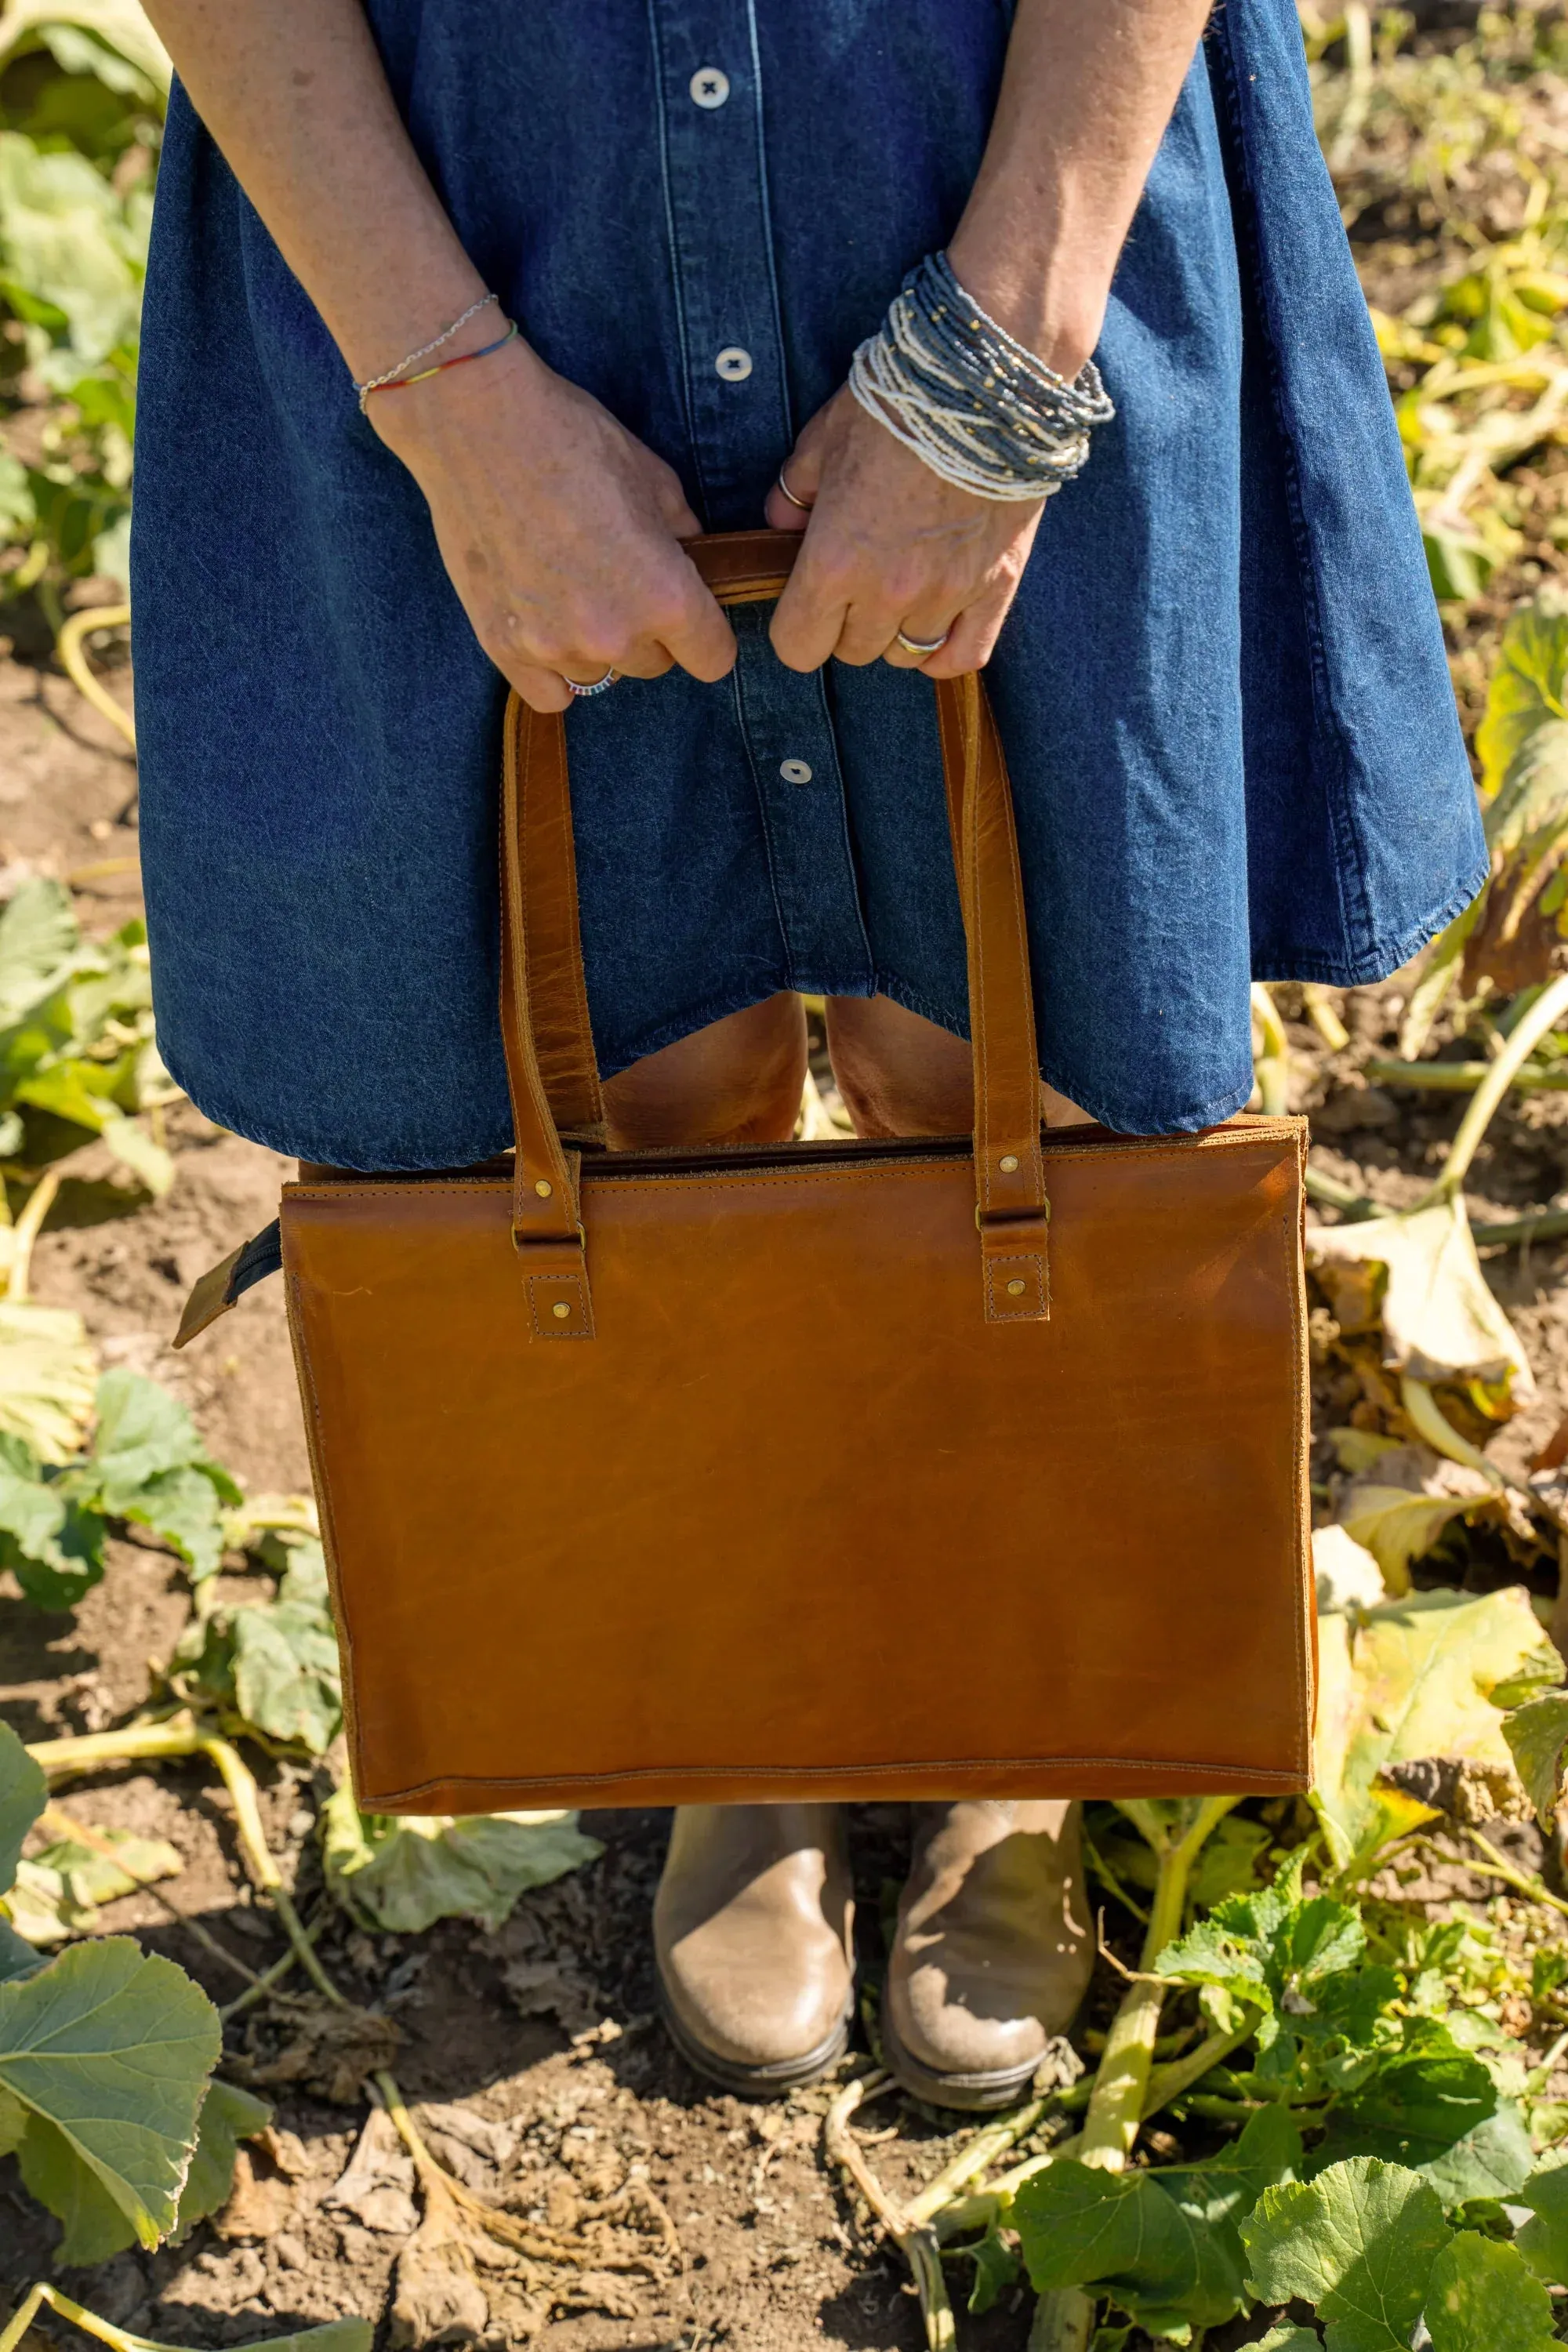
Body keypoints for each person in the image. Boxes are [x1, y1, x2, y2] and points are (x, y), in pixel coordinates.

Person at [131, 0, 1485, 2110]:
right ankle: (741, 1691)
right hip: (463, 197)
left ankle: (1001, 1717)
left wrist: (1013, 340)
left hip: (1004, 126)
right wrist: (450, 388)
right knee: (647, 1027)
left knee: (1018, 1012)